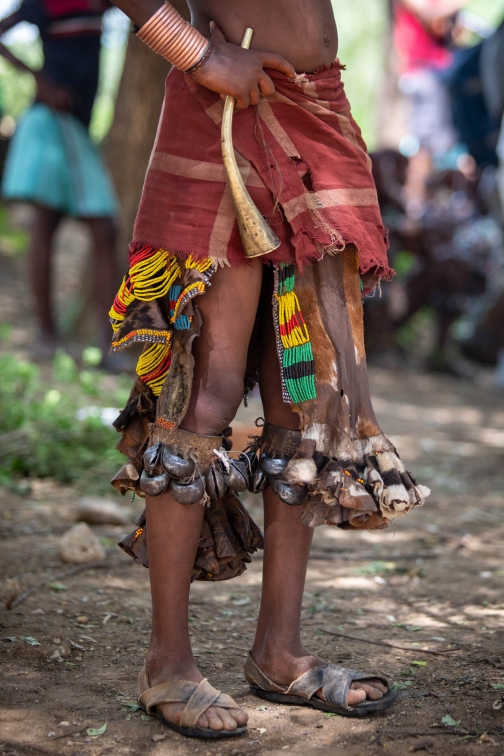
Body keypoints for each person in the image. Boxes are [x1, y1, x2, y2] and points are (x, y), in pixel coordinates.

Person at [108, 0, 430, 739]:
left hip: (317, 108)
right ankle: (168, 664)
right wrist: (195, 51)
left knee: (304, 395)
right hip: (225, 107)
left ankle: (278, 651)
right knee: (205, 395)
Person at [0, 0, 118, 357]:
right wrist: (40, 79)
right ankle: (50, 336)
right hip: (51, 120)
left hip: (76, 126)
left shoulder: (104, 3)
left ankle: (104, 342)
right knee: (64, 224)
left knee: (100, 230)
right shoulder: (43, 2)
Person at [392, 0, 461, 217]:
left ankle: (434, 206)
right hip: (422, 72)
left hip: (437, 72)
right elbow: (430, 14)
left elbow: (438, 24)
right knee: (423, 146)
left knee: (442, 144)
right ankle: (413, 207)